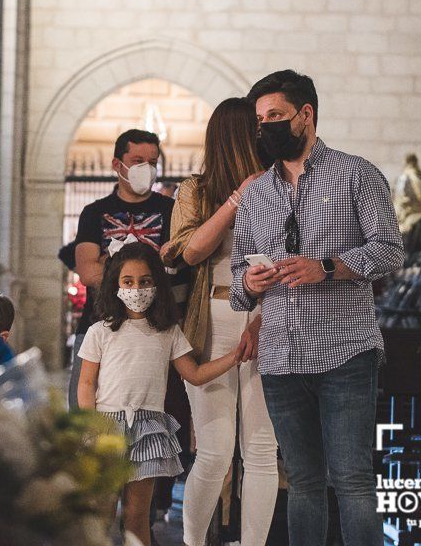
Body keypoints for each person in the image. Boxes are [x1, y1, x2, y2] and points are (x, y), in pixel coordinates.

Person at [231, 70, 404, 545]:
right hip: (281, 358)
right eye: (261, 119)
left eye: (276, 116)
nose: (266, 127)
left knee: (351, 481)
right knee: (303, 484)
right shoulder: (256, 194)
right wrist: (249, 279)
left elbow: (390, 250)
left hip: (344, 353)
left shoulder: (356, 173)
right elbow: (237, 286)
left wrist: (326, 266)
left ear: (306, 116)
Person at [76, 241, 248, 546]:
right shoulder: (100, 331)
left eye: (145, 281)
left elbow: (193, 374)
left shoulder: (168, 331)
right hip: (106, 427)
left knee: (138, 516)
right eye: (128, 282)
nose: (137, 289)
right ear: (115, 284)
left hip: (149, 428)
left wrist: (234, 357)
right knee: (99, 513)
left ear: (156, 284)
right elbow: (87, 383)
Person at [162, 97, 278, 546]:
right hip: (214, 314)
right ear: (236, 133)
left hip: (270, 314)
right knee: (214, 449)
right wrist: (235, 199)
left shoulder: (281, 184)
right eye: (258, 125)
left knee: (262, 449)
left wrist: (264, 320)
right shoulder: (197, 189)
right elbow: (189, 251)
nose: (265, 132)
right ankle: (193, 542)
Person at [69, 129, 175, 410]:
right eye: (138, 160)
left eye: (152, 162)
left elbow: (178, 266)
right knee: (84, 413)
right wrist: (150, 269)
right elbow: (87, 272)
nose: (146, 169)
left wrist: (110, 264)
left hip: (155, 329)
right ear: (118, 165)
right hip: (98, 321)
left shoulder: (171, 210)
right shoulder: (94, 212)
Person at [393, 153, 421, 257]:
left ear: (406, 162)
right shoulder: (420, 177)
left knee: (407, 258)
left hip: (410, 222)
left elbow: (400, 199)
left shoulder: (404, 178)